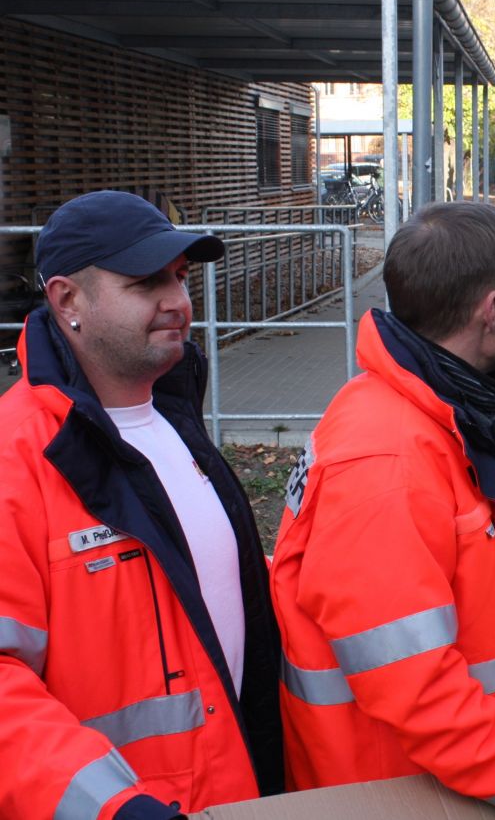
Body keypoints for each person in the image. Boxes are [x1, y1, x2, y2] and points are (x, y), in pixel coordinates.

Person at [270, 202, 495, 820]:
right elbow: (410, 676)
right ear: (490, 310)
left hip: (443, 776)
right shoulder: (389, 459)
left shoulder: (424, 410)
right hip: (400, 788)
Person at [0, 191, 284, 819]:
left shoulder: (174, 419)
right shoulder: (17, 458)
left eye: (181, 278)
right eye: (146, 282)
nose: (179, 302)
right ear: (66, 299)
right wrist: (116, 808)